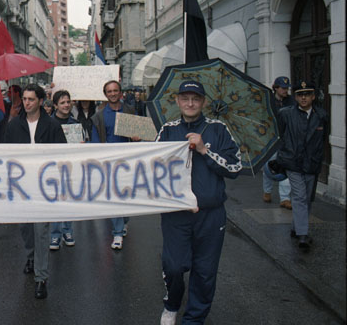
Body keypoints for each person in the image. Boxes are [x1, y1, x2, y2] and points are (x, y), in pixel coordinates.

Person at [156, 80, 241, 325]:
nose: (190, 103)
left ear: (203, 102)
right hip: (176, 213)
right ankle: (172, 304)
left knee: (205, 271)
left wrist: (205, 150)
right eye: (185, 98)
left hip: (210, 214)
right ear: (177, 101)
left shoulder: (218, 129)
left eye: (195, 99)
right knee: (173, 266)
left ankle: (194, 319)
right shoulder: (168, 130)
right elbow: (153, 167)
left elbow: (235, 167)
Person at [4, 83, 66, 299]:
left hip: (44, 187)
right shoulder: (13, 126)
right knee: (25, 227)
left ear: (40, 101)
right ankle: (31, 256)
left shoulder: (52, 126)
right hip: (22, 186)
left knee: (41, 231)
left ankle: (41, 277)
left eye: (31, 99)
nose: (27, 103)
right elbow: (6, 155)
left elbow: (62, 155)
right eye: (24, 99)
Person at [276, 82, 328, 250]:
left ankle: (296, 227)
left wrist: (317, 156)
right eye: (300, 94)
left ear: (313, 96)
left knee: (307, 198)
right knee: (299, 196)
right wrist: (286, 154)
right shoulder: (286, 114)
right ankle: (303, 235)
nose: (303, 98)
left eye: (307, 94)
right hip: (293, 162)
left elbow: (323, 138)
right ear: (295, 97)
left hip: (312, 163)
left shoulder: (321, 115)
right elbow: (280, 134)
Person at [90, 80, 137, 250]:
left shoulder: (130, 111)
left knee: (127, 195)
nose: (112, 94)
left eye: (115, 90)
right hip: (109, 163)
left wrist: (137, 137)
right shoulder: (99, 116)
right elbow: (95, 142)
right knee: (114, 196)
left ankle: (124, 221)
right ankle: (117, 233)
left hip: (128, 162)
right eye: (109, 91)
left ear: (120, 92)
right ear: (105, 94)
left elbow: (141, 135)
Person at [49, 90, 78, 251]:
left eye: (68, 102)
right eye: (62, 103)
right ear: (55, 105)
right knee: (55, 200)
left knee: (68, 199)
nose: (66, 105)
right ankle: (55, 233)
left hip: (71, 167)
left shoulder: (75, 123)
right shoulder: (48, 123)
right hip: (53, 167)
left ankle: (67, 230)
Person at [262, 76, 295, 209]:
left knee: (285, 167)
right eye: (283, 88)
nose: (285, 90)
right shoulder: (268, 100)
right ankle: (267, 191)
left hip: (286, 138)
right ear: (276, 88)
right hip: (271, 138)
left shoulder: (291, 101)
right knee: (269, 166)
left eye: (287, 88)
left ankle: (285, 198)